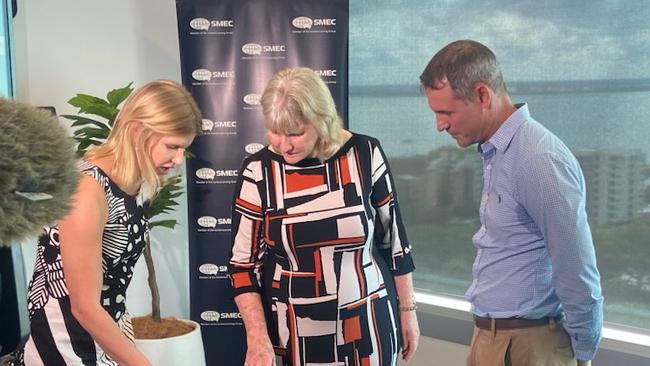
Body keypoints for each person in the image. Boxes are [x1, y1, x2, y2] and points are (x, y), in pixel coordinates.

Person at [420, 40, 603, 366]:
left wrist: (582, 355)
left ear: (482, 96)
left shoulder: (538, 159)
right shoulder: (496, 152)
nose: (440, 125)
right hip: (493, 338)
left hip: (530, 347)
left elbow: (576, 266)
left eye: (446, 112)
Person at [229, 67, 420, 366]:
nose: (284, 144)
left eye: (295, 133)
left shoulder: (365, 153)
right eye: (275, 132)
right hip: (294, 332)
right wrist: (257, 339)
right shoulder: (259, 171)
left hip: (368, 323)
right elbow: (243, 267)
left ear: (322, 121)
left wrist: (407, 311)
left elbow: (395, 241)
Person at [15, 80, 202, 366]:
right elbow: (84, 307)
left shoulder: (134, 184)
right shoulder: (88, 190)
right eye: (172, 146)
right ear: (138, 131)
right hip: (66, 350)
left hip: (100, 341)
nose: (178, 159)